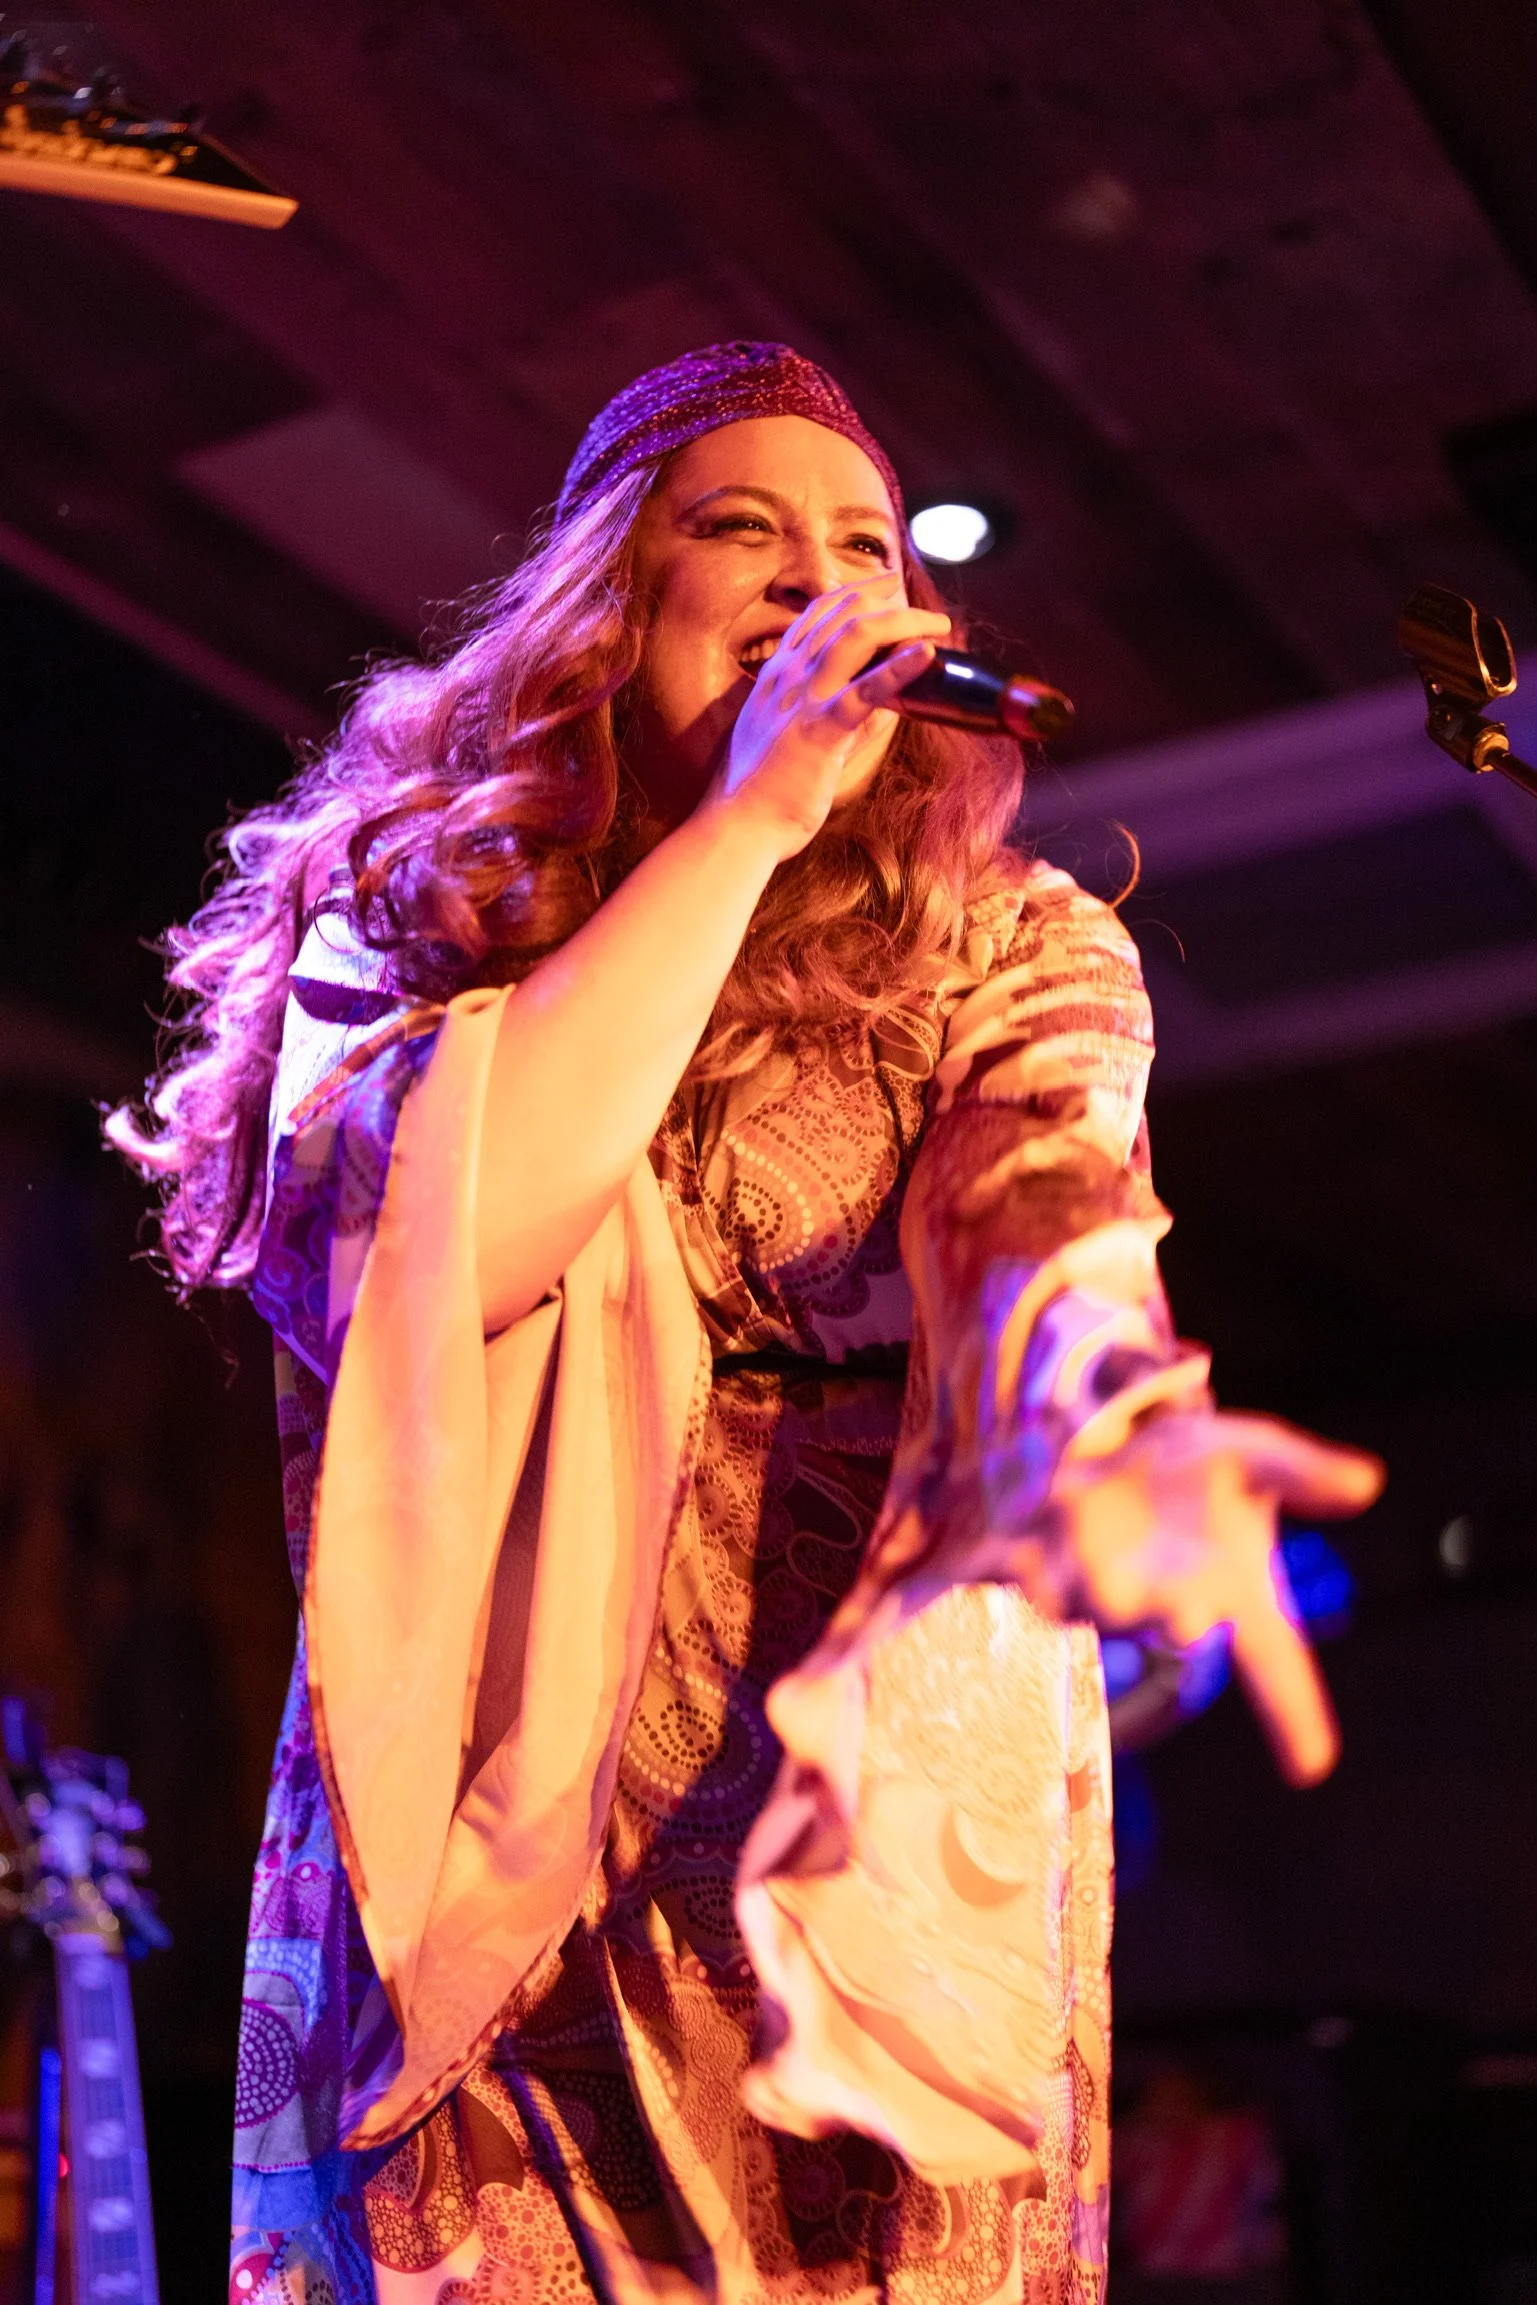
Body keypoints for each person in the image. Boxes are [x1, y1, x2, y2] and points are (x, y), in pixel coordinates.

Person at [110, 342, 1381, 2305]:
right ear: (619, 597)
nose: (822, 579)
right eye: (746, 531)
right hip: (505, 1832)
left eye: (865, 545)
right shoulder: (426, 904)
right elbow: (434, 1250)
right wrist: (749, 826)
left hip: (873, 1853)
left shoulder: (1013, 942)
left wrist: (1123, 1420)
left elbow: (1044, 1223)